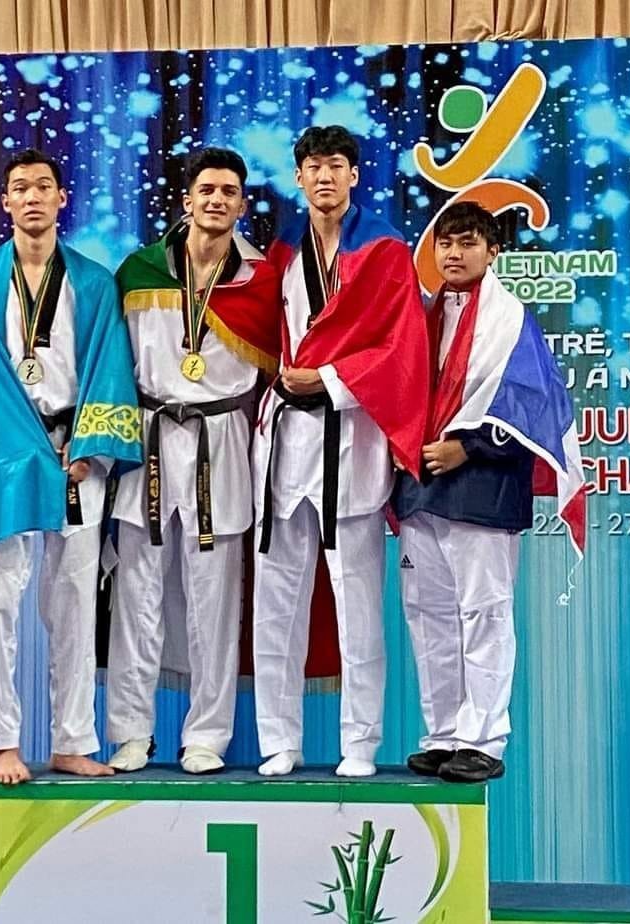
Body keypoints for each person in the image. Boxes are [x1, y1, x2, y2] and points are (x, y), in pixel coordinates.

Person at [0, 148, 142, 784]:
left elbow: (110, 368)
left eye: (44, 185)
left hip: (76, 456)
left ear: (62, 198)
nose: (33, 196)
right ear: (6, 202)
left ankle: (73, 740)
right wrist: (23, 449)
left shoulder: (94, 282)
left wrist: (90, 446)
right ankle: (1, 743)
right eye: (21, 187)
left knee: (75, 599)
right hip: (4, 459)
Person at [252, 126, 430, 778]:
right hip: (282, 446)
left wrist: (327, 378)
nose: (324, 177)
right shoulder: (281, 251)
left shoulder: (384, 250)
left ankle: (360, 743)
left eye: (335, 165)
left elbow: (401, 347)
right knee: (275, 605)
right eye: (313, 166)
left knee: (357, 611)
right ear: (298, 177)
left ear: (354, 175)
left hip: (348, 441)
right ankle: (279, 741)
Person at [394, 200, 585, 783]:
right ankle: (443, 734)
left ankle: (483, 740)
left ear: (493, 251)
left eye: (468, 243)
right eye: (446, 243)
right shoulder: (420, 317)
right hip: (420, 487)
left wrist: (469, 447)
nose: (454, 253)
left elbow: (533, 407)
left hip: (482, 487)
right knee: (428, 615)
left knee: (484, 614)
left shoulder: (511, 322)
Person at [105, 148, 281, 775]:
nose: (217, 200)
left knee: (215, 602)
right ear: (186, 200)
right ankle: (131, 732)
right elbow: (110, 366)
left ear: (242, 204)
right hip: (150, 437)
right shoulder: (139, 271)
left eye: (229, 192)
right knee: (136, 597)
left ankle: (207, 735)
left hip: (221, 438)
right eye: (207, 189)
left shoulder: (260, 280)